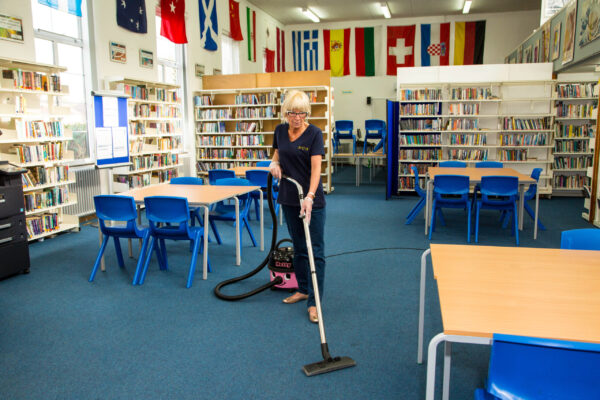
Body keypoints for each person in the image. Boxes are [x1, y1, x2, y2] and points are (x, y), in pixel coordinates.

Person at [269, 90, 326, 324]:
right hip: (288, 198)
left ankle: (315, 302)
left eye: (301, 113)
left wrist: (310, 197)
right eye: (292, 112)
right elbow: (276, 155)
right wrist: (273, 164)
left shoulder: (314, 134)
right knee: (299, 246)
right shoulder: (280, 131)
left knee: (315, 251)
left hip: (312, 201)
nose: (297, 117)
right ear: (285, 112)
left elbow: (316, 170)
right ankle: (302, 289)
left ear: (307, 113)